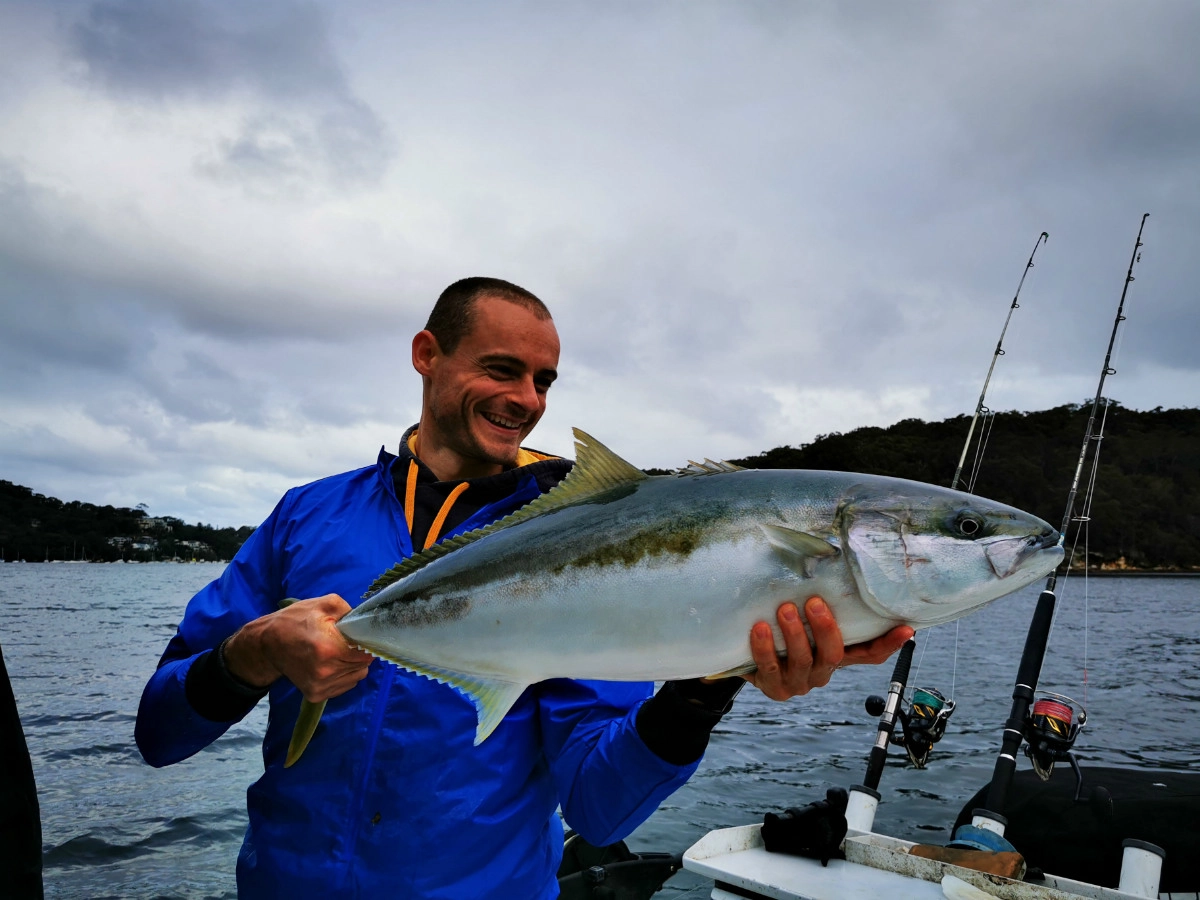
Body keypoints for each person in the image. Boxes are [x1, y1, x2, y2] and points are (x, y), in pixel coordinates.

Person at [135, 277, 911, 899]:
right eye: (502, 369)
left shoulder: (585, 540)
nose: (529, 400)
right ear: (426, 354)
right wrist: (252, 652)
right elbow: (160, 734)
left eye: (543, 380)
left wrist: (699, 693)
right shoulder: (307, 516)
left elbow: (599, 806)